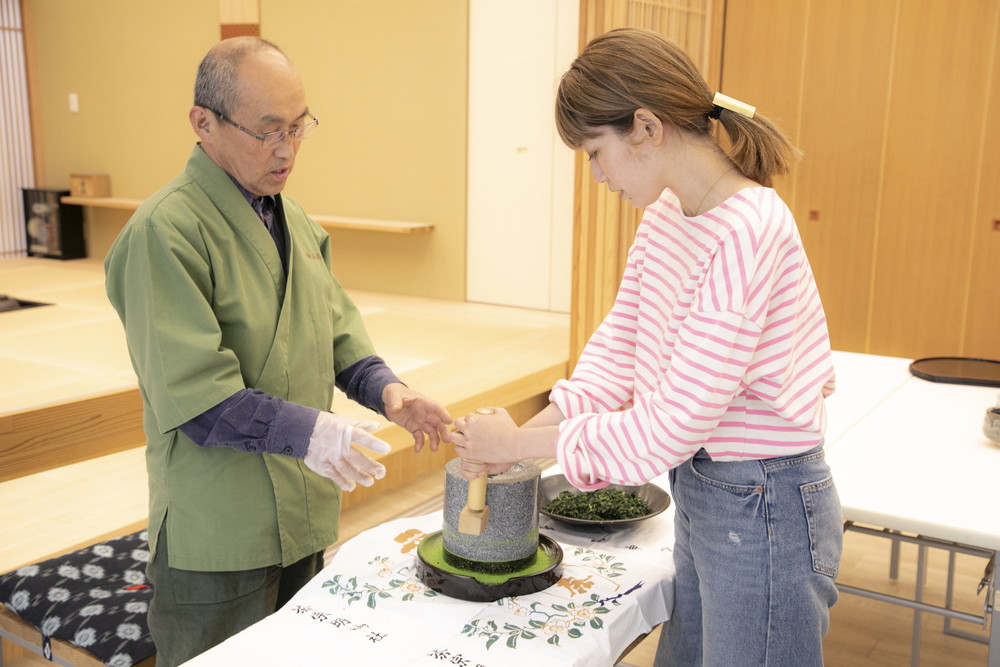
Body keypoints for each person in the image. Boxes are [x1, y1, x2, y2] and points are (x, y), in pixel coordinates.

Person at [450, 28, 842, 666]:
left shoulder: (751, 228)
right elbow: (614, 357)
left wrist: (519, 446)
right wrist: (518, 442)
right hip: (707, 487)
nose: (598, 176)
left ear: (646, 127)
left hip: (766, 503)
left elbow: (675, 423)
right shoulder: (666, 218)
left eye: (595, 153)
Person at [104, 36, 451, 666]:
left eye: (298, 127)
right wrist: (315, 433)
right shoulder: (164, 233)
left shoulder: (294, 221)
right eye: (267, 131)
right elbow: (198, 397)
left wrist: (390, 393)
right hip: (218, 536)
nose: (287, 149)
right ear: (202, 123)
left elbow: (335, 332)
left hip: (300, 513)